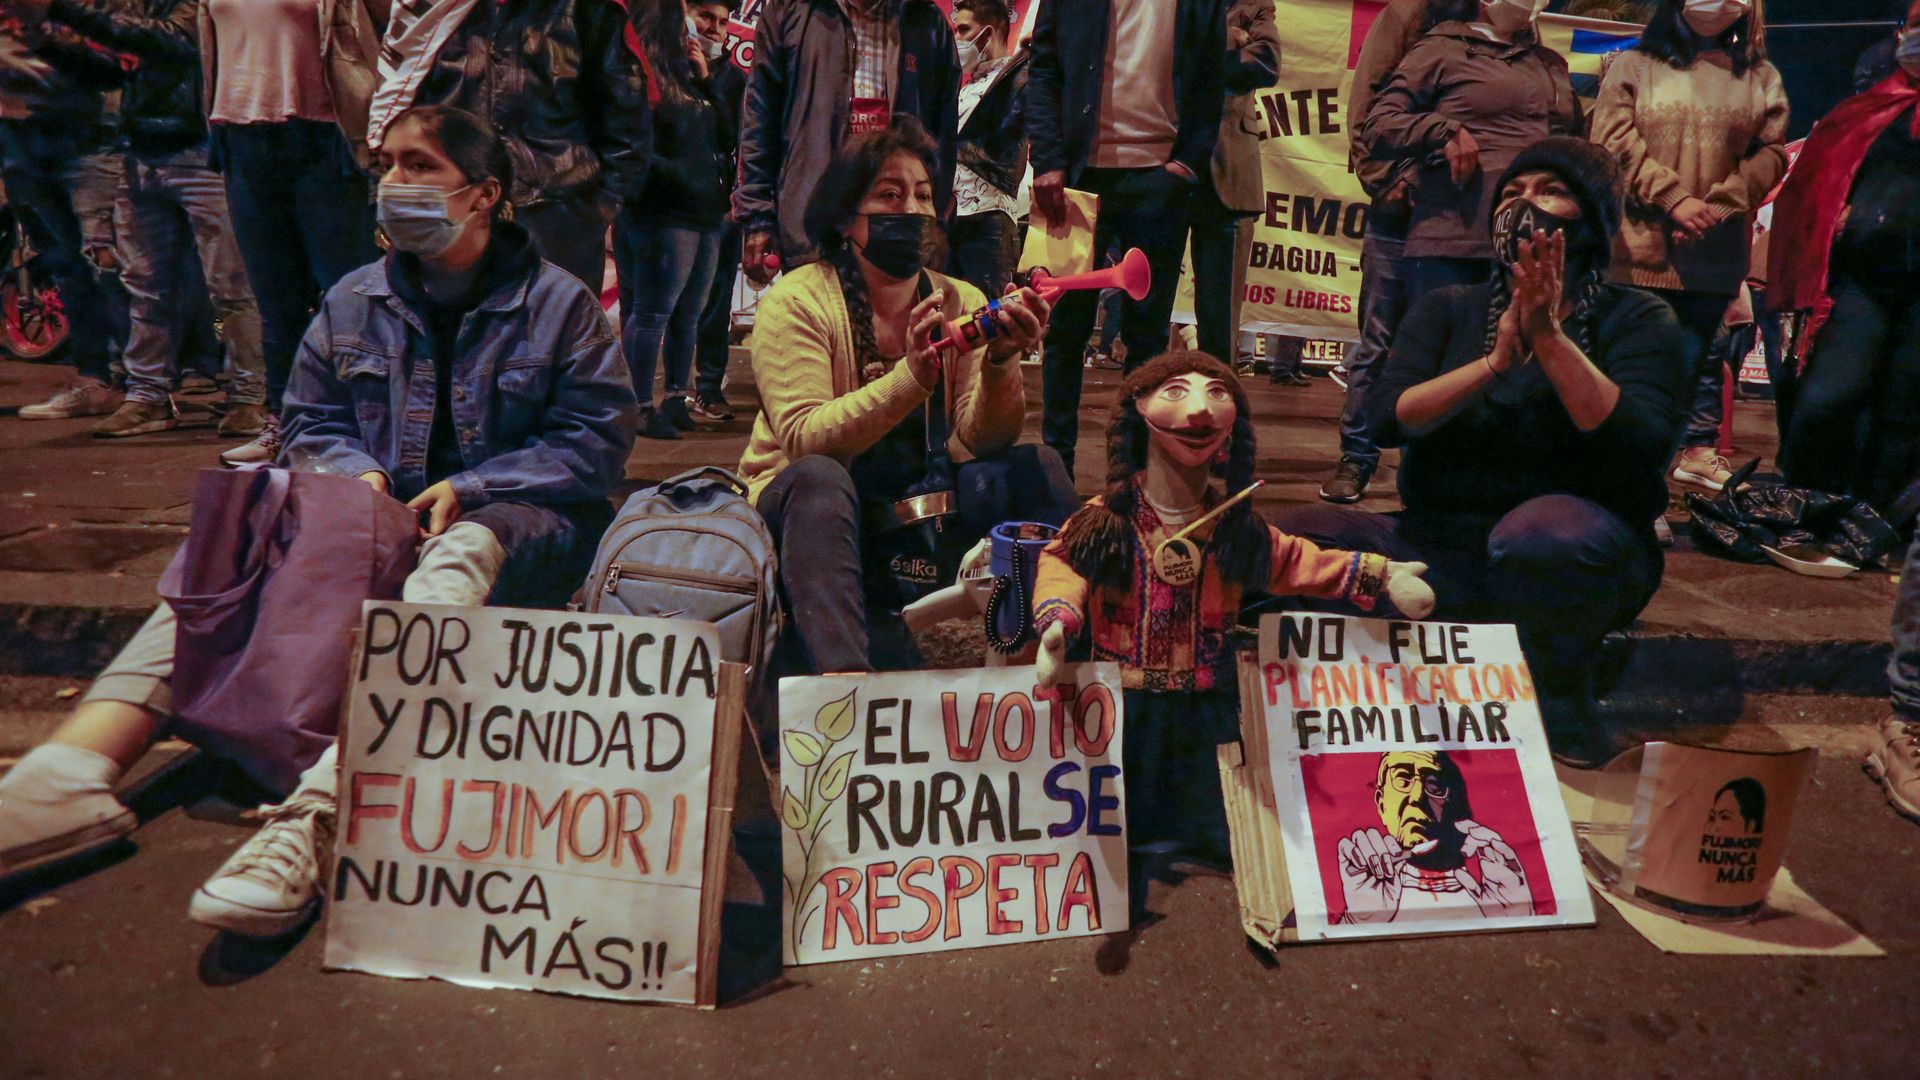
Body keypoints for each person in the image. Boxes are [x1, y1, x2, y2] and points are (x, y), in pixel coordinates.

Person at [0, 106, 637, 934]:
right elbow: (310, 421)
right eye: (388, 165)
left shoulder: (558, 303)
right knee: (242, 538)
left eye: (420, 166)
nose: (394, 183)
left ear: (483, 194)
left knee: (461, 552)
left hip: (519, 522)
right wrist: (356, 475)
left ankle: (326, 806)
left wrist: (473, 487)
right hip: (375, 516)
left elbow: (593, 442)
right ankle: (71, 771)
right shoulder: (353, 298)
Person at [1274, 138, 1690, 765]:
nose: (1524, 206)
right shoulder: (1449, 308)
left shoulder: (1637, 317)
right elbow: (1387, 417)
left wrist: (1549, 339)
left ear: (1593, 218)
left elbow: (1640, 440)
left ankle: (1557, 691)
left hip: (1573, 558)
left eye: (1551, 191)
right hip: (1443, 548)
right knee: (1283, 539)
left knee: (1539, 536)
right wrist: (1494, 364)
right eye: (1512, 194)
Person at [1029, 350, 1433, 861]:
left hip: (1206, 701)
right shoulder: (1105, 520)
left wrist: (1380, 575)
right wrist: (1059, 617)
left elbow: (1294, 561)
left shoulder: (1233, 528)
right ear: (1139, 408)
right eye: (1176, 392)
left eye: (1217, 393)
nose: (1200, 409)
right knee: (1120, 808)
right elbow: (1064, 561)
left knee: (1211, 812)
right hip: (1125, 701)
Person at [739, 117, 1070, 675]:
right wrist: (911, 378)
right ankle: (844, 688)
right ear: (844, 216)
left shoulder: (960, 298)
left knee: (1036, 465)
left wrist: (1001, 360)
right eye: (889, 195)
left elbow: (978, 441)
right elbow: (805, 438)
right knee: (819, 479)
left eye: (922, 195)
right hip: (816, 517)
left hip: (925, 512)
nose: (912, 210)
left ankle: (1064, 654)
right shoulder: (797, 301)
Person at [16, 0, 270, 444]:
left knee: (231, 285)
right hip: (141, 153)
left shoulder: (197, 4)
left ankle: (249, 396)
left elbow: (167, 42)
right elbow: (114, 70)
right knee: (145, 285)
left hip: (202, 153)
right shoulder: (143, 5)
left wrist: (59, 9)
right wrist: (46, 41)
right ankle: (148, 396)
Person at [1591, 0, 1788, 494]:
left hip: (1710, 264)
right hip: (1635, 260)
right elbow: (1611, 141)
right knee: (1629, 388)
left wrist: (1720, 205)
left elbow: (1772, 153)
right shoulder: (1633, 65)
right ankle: (1621, 498)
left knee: (1681, 392)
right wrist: (1673, 199)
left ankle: (1646, 495)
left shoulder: (1760, 76)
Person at [1027, 0, 1229, 474]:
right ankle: (1057, 470)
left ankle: (1133, 474)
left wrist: (1187, 163)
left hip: (1160, 179)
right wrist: (1048, 158)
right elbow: (1044, 68)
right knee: (1066, 329)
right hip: (1076, 178)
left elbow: (1210, 78)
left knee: (1147, 337)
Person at [198, 0, 388, 466]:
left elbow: (391, 31)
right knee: (275, 300)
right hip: (240, 136)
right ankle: (284, 425)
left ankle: (370, 426)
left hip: (323, 137)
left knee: (349, 295)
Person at [365, 0, 651, 293]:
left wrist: (602, 206)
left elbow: (626, 113)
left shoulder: (588, 8)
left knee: (557, 318)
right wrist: (390, 200)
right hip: (450, 213)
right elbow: (393, 116)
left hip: (560, 219)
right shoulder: (423, 10)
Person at [1770, 1, 1920, 518]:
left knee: (1904, 407)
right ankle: (1805, 504)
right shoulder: (1870, 108)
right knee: (1829, 394)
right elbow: (1820, 182)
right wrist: (1840, 214)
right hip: (1863, 280)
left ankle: (1879, 520)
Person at [1359, 0, 1582, 299]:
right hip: (1453, 242)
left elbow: (1575, 143)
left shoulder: (1549, 63)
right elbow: (1377, 123)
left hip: (1528, 248)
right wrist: (1443, 132)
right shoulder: (1440, 47)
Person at [736, 0, 960, 280]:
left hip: (897, 224)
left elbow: (943, 139)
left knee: (890, 308)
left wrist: (933, 220)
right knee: (812, 306)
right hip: (810, 217)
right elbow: (759, 118)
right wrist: (758, 217)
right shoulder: (788, 10)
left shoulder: (927, 21)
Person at [1320, 0, 1429, 504]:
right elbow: (1365, 103)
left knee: (1449, 345)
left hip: (1465, 218)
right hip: (1400, 214)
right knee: (1378, 343)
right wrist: (1384, 181)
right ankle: (1358, 456)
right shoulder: (1406, 15)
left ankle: (1426, 469)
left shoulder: (1510, 32)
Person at [617, 0, 736, 441]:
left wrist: (706, 81)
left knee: (690, 313)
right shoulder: (646, 76)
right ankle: (638, 405)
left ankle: (674, 398)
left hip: (705, 213)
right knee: (653, 312)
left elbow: (726, 135)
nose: (703, 30)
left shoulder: (692, 76)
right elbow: (639, 148)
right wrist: (685, 178)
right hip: (665, 213)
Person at [2, 21, 121, 422]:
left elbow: (113, 61)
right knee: (65, 266)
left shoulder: (73, 12)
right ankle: (95, 380)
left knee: (107, 265)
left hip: (85, 134)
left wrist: (46, 33)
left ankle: (138, 383)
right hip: (20, 139)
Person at [1335, 750, 1533, 924]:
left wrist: (1518, 916)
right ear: (1381, 804)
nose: (1417, 797)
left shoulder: (1496, 894)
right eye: (1402, 781)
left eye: (1434, 785)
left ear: (1454, 801)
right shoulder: (1370, 891)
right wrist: (1358, 920)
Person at [1188, 0, 1279, 370]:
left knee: (1220, 315)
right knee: (1147, 307)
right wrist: (1224, 39)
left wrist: (1196, 51)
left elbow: (1266, 64)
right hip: (1165, 162)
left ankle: (1221, 396)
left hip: (1227, 172)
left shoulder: (1254, 5)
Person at [944, 0, 1029, 301]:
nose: (957, 38)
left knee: (989, 317)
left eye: (964, 30)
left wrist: (1038, 53)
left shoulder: (1021, 76)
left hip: (989, 219)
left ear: (989, 32)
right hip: (950, 219)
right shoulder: (963, 86)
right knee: (948, 316)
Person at [687, 0, 745, 424]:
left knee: (715, 303)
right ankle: (653, 397)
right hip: (665, 206)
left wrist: (737, 201)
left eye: (723, 22)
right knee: (656, 309)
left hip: (717, 206)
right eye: (706, 17)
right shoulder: (660, 67)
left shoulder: (734, 78)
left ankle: (708, 388)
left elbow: (736, 139)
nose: (715, 28)